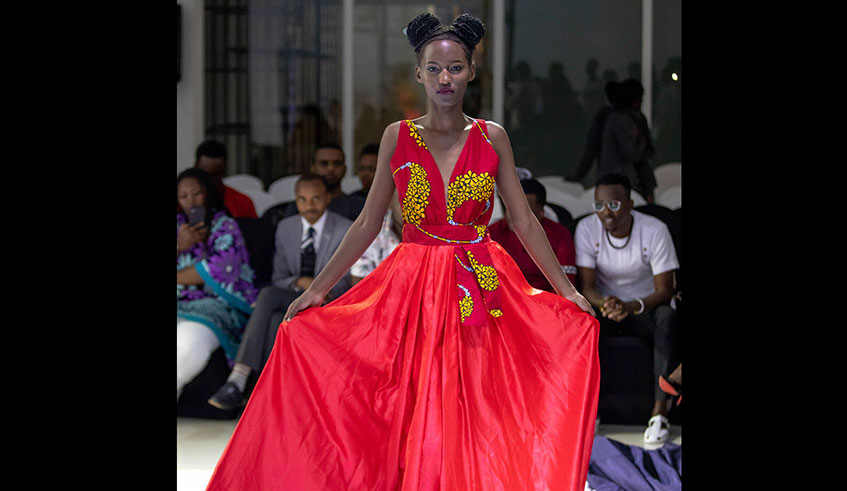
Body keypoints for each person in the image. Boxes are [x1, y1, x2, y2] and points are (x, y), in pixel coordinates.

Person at [206, 12, 599, 491]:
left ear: (471, 72)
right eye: (434, 68)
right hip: (413, 286)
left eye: (455, 67)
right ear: (418, 74)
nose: (444, 78)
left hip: (478, 282)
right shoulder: (398, 136)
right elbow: (368, 222)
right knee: (406, 403)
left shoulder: (492, 136)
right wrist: (319, 290)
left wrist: (567, 291)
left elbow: (524, 221)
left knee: (476, 402)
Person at [207, 173, 353, 410]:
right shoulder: (286, 228)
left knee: (268, 297)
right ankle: (268, 395)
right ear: (295, 201)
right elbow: (280, 277)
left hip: (329, 299)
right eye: (302, 199)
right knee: (276, 318)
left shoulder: (345, 228)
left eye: (316, 198)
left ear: (328, 198)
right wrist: (302, 282)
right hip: (293, 296)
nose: (309, 206)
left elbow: (345, 281)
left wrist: (314, 286)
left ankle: (240, 378)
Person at [574, 173, 680, 447]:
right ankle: (591, 413)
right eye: (599, 205)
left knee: (667, 318)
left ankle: (659, 414)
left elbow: (665, 290)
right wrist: (605, 304)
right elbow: (586, 286)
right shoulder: (586, 228)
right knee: (582, 320)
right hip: (608, 307)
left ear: (630, 205)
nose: (606, 212)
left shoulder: (654, 230)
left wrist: (633, 306)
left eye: (614, 205)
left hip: (646, 306)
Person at [176, 168, 258, 400]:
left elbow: (218, 269)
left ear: (207, 193)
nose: (191, 201)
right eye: (183, 196)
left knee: (188, 343)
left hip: (216, 306)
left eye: (196, 193)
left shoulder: (225, 225)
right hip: (180, 303)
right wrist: (180, 245)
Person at [489, 178, 577, 292]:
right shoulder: (492, 233)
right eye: (510, 207)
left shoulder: (559, 234)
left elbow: (567, 283)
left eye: (522, 212)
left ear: (541, 212)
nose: (511, 215)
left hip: (548, 299)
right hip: (506, 298)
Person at [267, 143, 366, 225]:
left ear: (344, 170)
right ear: (313, 169)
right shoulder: (296, 207)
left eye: (337, 164)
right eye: (324, 163)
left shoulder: (358, 206)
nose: (330, 169)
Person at [597, 79, 658, 202]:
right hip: (624, 181)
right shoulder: (621, 120)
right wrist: (640, 141)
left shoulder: (627, 119)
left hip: (633, 180)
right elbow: (629, 153)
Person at [349, 190, 403, 286]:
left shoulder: (431, 234)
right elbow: (360, 285)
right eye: (405, 203)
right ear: (389, 202)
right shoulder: (370, 234)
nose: (414, 210)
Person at [194, 139, 258, 218]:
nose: (208, 179)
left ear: (224, 171)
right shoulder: (183, 202)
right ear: (195, 168)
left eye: (214, 175)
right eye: (204, 174)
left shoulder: (243, 203)